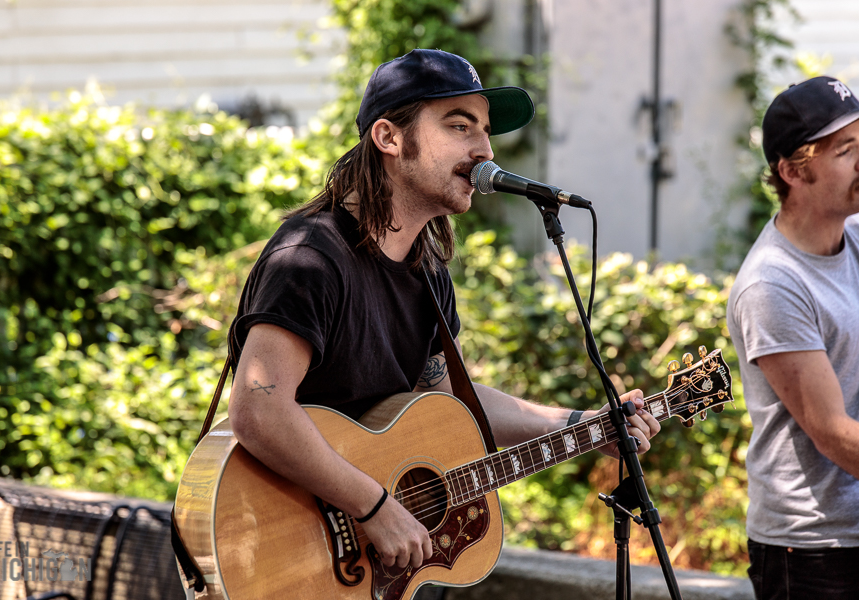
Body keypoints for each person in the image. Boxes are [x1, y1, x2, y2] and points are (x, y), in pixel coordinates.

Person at [227, 49, 660, 572]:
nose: (484, 149)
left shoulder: (426, 272)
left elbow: (448, 395)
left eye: (484, 129)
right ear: (389, 138)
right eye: (460, 126)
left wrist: (585, 424)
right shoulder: (310, 260)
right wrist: (373, 505)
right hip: (277, 548)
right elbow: (259, 409)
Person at [727, 75, 859, 599]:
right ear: (792, 171)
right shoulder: (773, 284)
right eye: (845, 151)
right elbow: (832, 432)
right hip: (812, 552)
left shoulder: (853, 238)